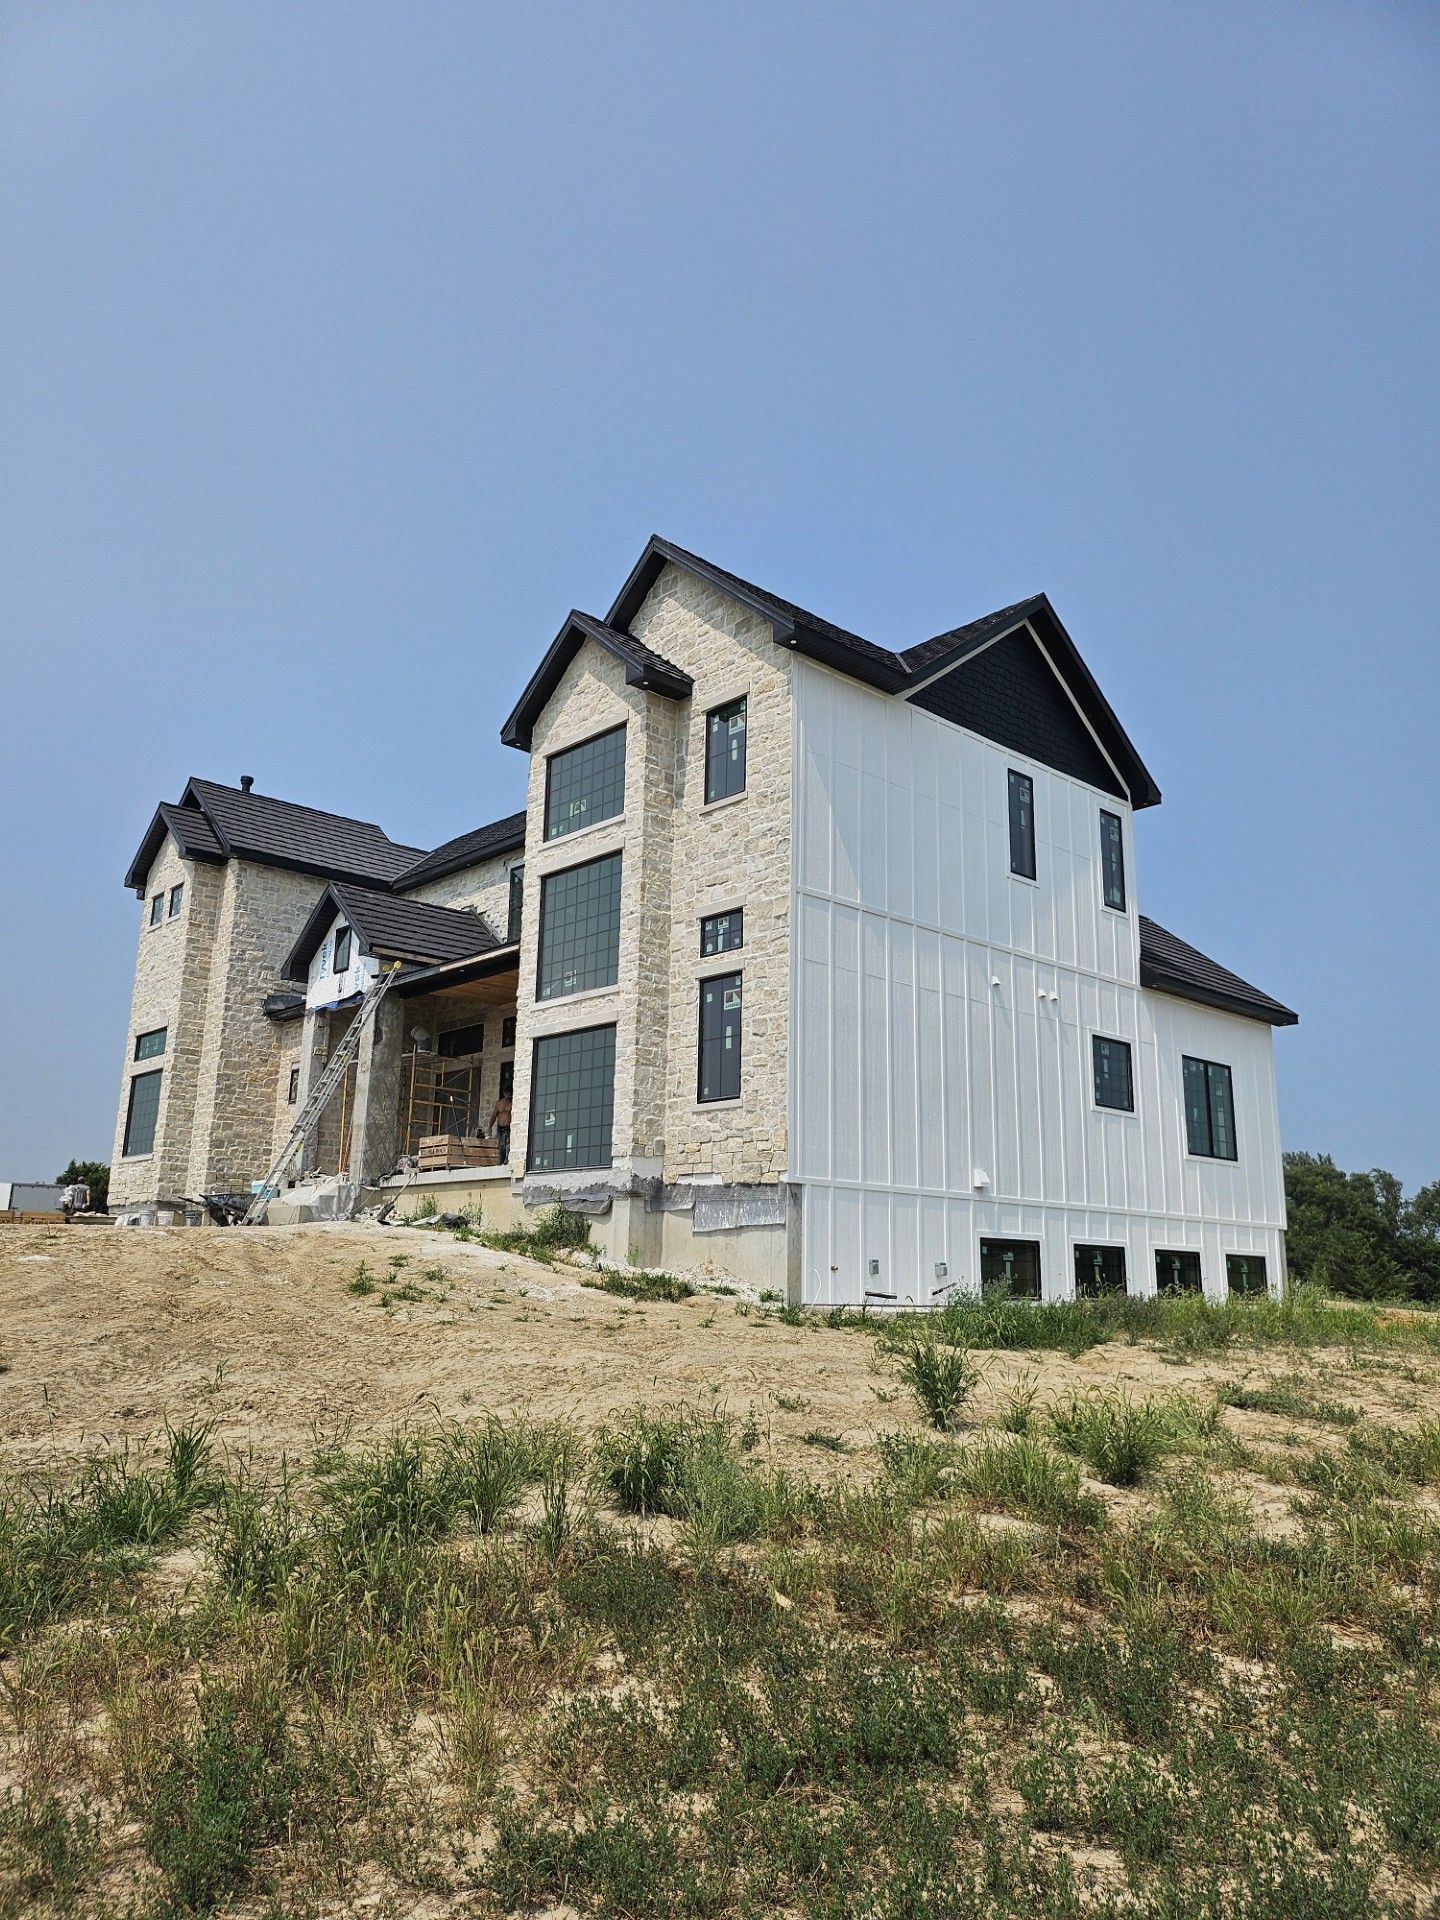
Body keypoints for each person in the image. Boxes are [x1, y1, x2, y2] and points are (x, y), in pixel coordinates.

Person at [488, 1091, 512, 1163]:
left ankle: (506, 1161)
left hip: (508, 1127)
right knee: (501, 1145)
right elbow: (494, 1115)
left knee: (507, 1145)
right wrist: (490, 1126)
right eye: (507, 1094)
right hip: (500, 1128)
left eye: (509, 1094)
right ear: (504, 1094)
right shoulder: (499, 1103)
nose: (508, 1095)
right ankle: (501, 1161)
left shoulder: (512, 1103)